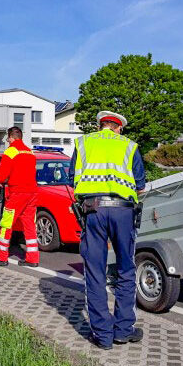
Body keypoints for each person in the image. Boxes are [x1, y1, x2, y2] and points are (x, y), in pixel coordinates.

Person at [68, 111, 146, 350]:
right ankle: (123, 330)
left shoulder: (83, 143)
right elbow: (140, 187)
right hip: (123, 212)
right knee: (125, 268)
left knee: (95, 271)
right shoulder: (129, 146)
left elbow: (73, 180)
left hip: (93, 210)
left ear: (100, 125)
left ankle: (102, 336)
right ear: (119, 127)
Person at [0, 126, 39, 267]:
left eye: (8, 139)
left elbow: (2, 174)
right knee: (29, 225)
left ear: (11, 137)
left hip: (17, 193)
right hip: (32, 193)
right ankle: (33, 259)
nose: (8, 141)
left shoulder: (11, 151)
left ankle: (1, 257)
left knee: (6, 224)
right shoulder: (30, 152)